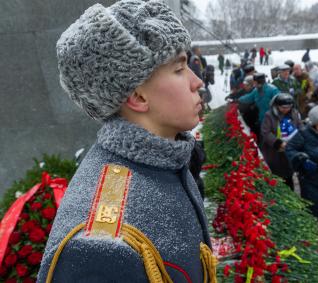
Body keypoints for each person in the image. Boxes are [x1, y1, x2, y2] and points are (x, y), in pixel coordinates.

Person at [37, 1, 216, 282]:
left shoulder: (164, 160)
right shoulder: (103, 245)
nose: (197, 82)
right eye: (180, 69)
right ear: (138, 97)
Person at [260, 93, 303, 190]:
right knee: (278, 172)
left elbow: (300, 127)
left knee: (289, 171)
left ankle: (290, 189)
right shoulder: (269, 115)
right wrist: (278, 143)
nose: (286, 110)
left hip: (291, 148)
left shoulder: (295, 113)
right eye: (283, 107)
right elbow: (266, 132)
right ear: (277, 106)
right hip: (275, 151)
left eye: (288, 107)